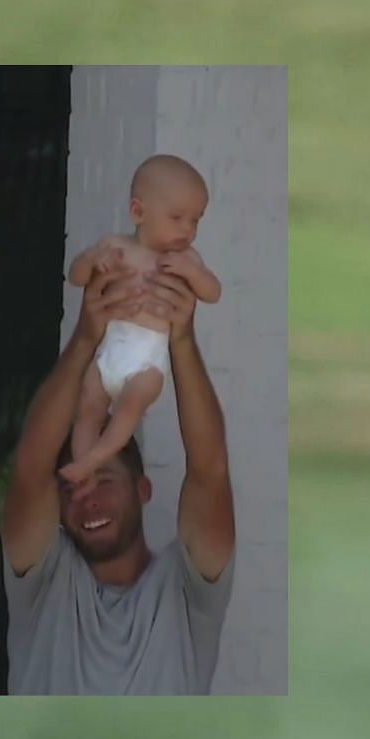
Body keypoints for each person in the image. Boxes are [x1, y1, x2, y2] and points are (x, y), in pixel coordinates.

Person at [0, 254, 236, 695]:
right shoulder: (41, 580)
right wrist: (88, 335)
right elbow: (31, 467)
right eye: (72, 487)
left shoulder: (189, 592)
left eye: (104, 481)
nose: (86, 499)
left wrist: (181, 340)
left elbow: (210, 472)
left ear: (142, 488)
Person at [61, 154, 222, 489]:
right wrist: (92, 259)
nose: (188, 230)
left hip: (147, 359)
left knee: (130, 407)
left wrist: (194, 273)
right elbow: (76, 276)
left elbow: (213, 292)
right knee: (87, 407)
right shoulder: (115, 247)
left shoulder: (185, 259)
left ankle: (96, 458)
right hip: (110, 349)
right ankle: (83, 470)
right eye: (177, 218)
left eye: (196, 220)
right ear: (138, 212)